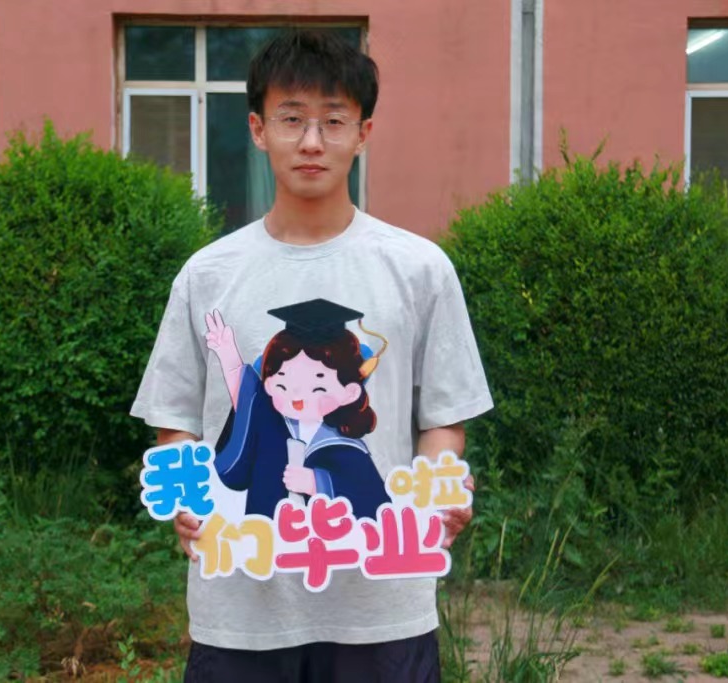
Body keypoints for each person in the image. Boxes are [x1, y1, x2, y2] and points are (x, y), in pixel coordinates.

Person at [130, 29, 492, 683]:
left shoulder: (419, 270)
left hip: (379, 606)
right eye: (292, 119)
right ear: (258, 128)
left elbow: (443, 417)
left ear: (364, 132)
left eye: (334, 120)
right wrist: (189, 499)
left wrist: (437, 496)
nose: (312, 141)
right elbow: (176, 417)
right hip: (242, 604)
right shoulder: (209, 276)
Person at [208, 298, 391, 520]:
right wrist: (229, 357)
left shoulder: (348, 450)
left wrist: (318, 483)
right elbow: (249, 402)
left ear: (350, 392)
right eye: (282, 383)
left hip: (326, 540)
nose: (296, 396)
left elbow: (373, 503)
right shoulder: (272, 425)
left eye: (317, 387)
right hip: (265, 535)